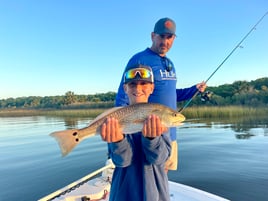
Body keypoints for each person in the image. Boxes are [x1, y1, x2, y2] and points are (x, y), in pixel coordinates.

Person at [115, 17, 207, 171]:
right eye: (161, 36)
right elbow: (123, 97)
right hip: (148, 137)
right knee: (149, 180)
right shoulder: (139, 59)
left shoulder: (170, 64)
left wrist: (193, 90)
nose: (165, 41)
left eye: (169, 37)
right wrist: (120, 137)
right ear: (153, 36)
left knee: (163, 179)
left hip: (170, 133)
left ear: (174, 38)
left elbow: (171, 94)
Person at [100, 65, 171, 201]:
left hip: (155, 194)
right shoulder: (116, 119)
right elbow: (122, 161)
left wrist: (152, 139)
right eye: (132, 84)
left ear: (152, 88)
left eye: (144, 83)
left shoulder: (160, 118)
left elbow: (159, 159)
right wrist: (117, 141)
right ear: (125, 88)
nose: (138, 88)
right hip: (124, 193)